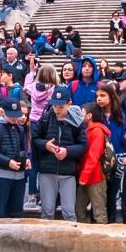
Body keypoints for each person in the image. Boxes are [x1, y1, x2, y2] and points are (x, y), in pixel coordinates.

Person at [34, 87, 85, 220]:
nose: (57, 109)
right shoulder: (46, 117)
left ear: (69, 104)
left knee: (69, 212)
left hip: (67, 172)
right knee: (47, 211)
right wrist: (45, 145)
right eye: (55, 105)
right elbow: (34, 139)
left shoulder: (77, 121)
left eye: (61, 107)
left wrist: (67, 151)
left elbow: (83, 145)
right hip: (47, 171)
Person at [0, 97, 32, 218]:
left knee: (16, 213)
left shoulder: (19, 129)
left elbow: (22, 150)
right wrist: (7, 161)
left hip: (19, 177)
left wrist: (26, 159)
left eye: (16, 115)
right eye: (11, 115)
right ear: (2, 112)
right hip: (1, 175)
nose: (14, 118)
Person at [76, 99, 116, 224]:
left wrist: (84, 175)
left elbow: (93, 156)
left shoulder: (97, 131)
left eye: (82, 112)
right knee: (79, 210)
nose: (80, 115)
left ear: (89, 116)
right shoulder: (88, 130)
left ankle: (101, 242)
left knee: (99, 213)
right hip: (87, 177)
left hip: (95, 177)